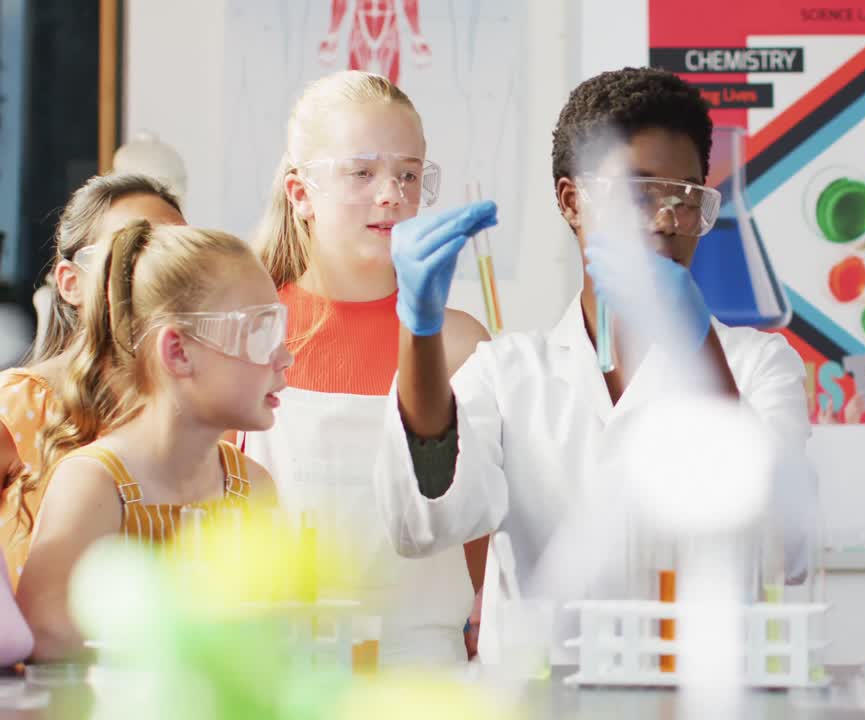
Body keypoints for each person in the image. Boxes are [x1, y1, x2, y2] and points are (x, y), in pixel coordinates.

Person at [372, 67, 817, 661]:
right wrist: (420, 329)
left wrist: (697, 352)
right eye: (637, 193)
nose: (664, 218)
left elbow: (780, 550)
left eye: (686, 197)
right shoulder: (509, 375)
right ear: (571, 200)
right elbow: (424, 522)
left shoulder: (758, 364)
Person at [246, 70, 494, 665]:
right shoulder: (249, 332)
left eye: (409, 174)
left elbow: (484, 545)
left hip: (428, 678)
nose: (392, 194)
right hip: (280, 675)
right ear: (299, 192)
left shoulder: (458, 343)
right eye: (362, 172)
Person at [18, 220, 287, 661]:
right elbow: (46, 633)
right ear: (178, 351)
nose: (285, 356)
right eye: (259, 332)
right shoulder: (94, 481)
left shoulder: (253, 485)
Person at [1, 174, 185, 589]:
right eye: (133, 253)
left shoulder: (204, 416)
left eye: (179, 254)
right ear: (70, 283)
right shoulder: (17, 405)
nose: (162, 273)